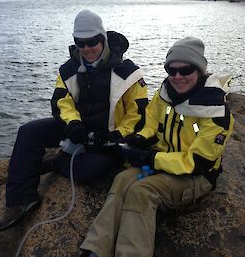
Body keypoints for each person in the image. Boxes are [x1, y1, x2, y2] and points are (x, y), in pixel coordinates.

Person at [73, 37, 235, 257]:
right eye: (171, 69)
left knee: (142, 191)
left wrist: (149, 159)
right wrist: (133, 142)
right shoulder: (166, 93)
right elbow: (150, 125)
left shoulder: (216, 112)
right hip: (164, 161)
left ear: (199, 71)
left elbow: (197, 162)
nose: (177, 77)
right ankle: (95, 248)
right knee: (122, 180)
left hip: (196, 176)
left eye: (186, 70)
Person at [0, 9, 148, 231]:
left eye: (92, 41)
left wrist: (116, 135)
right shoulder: (68, 70)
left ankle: (56, 163)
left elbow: (139, 113)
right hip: (77, 129)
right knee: (28, 131)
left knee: (89, 170)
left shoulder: (129, 74)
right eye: (80, 42)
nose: (86, 48)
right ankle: (21, 199)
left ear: (102, 38)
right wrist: (73, 124)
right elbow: (61, 101)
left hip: (109, 136)